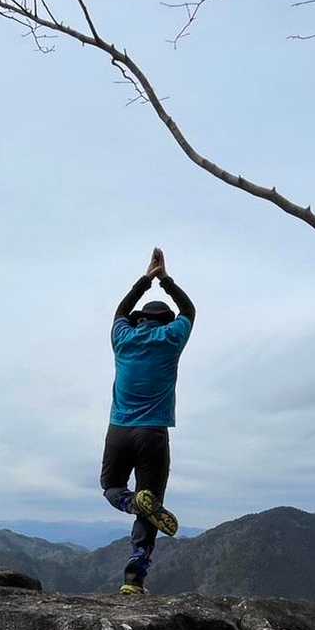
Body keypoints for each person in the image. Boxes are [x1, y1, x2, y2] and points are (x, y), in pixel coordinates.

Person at [101, 247, 195, 595]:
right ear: (167, 321)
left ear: (139, 319)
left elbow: (120, 312)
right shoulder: (171, 338)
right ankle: (134, 579)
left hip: (119, 430)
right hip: (153, 433)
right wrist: (165, 280)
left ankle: (129, 501)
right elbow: (189, 310)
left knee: (111, 486)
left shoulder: (122, 338)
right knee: (151, 502)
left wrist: (146, 280)